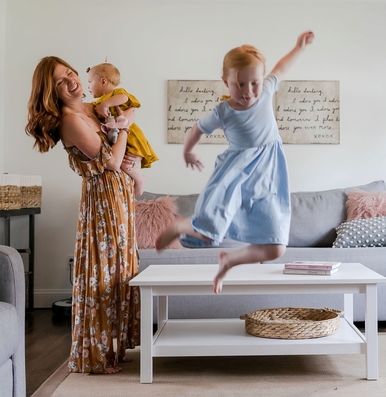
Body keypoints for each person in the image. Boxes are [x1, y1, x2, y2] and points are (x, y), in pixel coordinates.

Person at [156, 31, 315, 293]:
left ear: (262, 80)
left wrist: (299, 47)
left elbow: (282, 67)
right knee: (209, 233)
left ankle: (230, 261)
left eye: (254, 83)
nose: (248, 91)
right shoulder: (224, 111)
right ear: (225, 81)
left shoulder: (266, 92)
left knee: (276, 248)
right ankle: (181, 225)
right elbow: (197, 128)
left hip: (268, 176)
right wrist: (188, 151)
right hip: (236, 175)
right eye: (238, 84)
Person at [25, 56, 140, 374]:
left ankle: (113, 348)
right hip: (103, 198)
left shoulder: (93, 107)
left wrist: (123, 118)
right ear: (52, 91)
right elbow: (112, 162)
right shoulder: (70, 120)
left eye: (71, 73)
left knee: (120, 270)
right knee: (101, 273)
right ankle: (96, 357)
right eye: (61, 81)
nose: (71, 81)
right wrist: (126, 130)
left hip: (119, 194)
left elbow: (126, 107)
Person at [86, 62, 158, 196]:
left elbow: (125, 98)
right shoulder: (96, 103)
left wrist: (105, 104)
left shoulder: (116, 93)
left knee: (125, 164)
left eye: (90, 82)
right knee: (121, 164)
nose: (88, 87)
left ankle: (140, 179)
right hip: (118, 139)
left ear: (103, 81)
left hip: (131, 137)